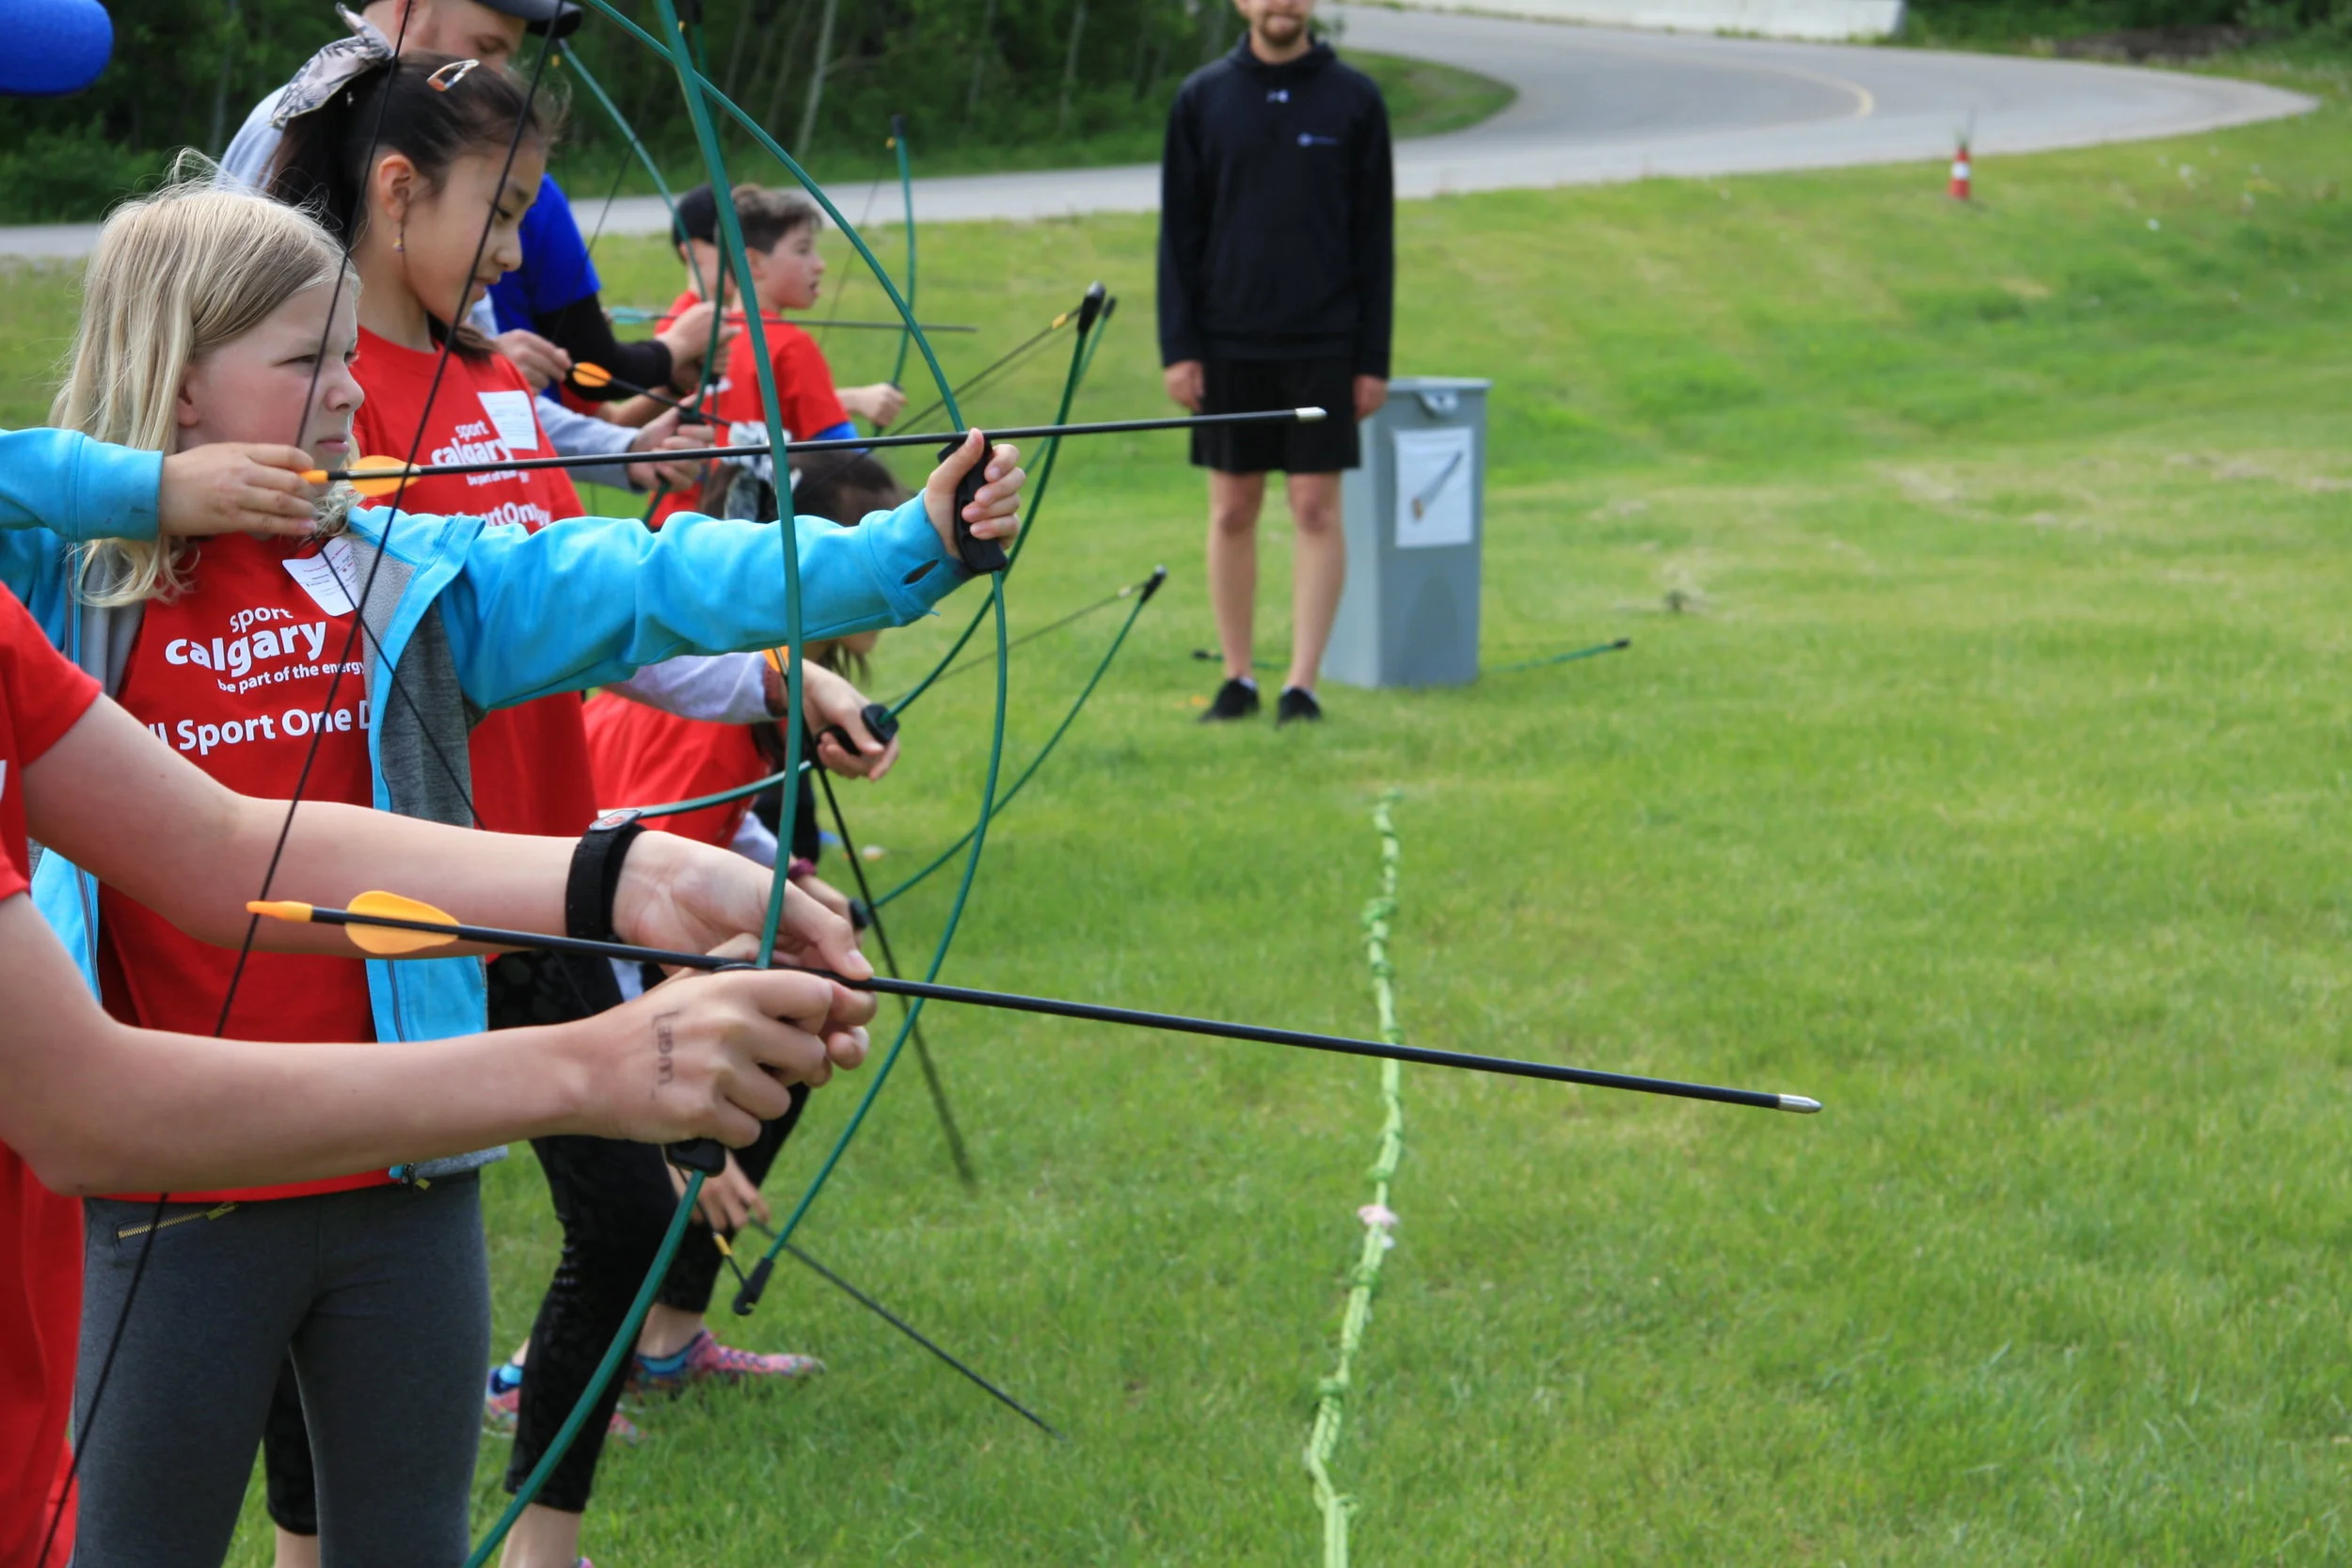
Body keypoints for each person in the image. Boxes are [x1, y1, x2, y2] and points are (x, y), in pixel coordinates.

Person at [13, 151, 1020, 1565]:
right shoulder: (61, 588)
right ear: (180, 389)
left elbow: (637, 582)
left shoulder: (403, 567)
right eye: (311, 362)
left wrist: (898, 550)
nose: (357, 391)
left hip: (402, 1167)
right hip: (174, 1186)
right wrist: (151, 491)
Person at [1158, 0, 1392, 725]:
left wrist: (1371, 358)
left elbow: (1375, 237)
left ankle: (1301, 685)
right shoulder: (1202, 98)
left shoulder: (1355, 99)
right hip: (1228, 339)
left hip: (1326, 341)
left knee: (1314, 508)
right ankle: (1238, 679)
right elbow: (1180, 233)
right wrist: (1181, 347)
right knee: (1232, 510)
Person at [638, 183, 910, 530]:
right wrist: (901, 511)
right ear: (753, 263)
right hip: (751, 533)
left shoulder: (702, 341)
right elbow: (844, 458)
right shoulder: (792, 347)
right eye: (803, 250)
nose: (820, 265)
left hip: (676, 528)